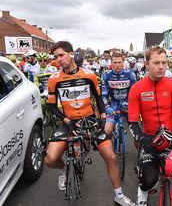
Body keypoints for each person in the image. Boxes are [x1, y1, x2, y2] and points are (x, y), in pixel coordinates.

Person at [45, 41, 135, 206]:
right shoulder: (54, 79)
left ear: (71, 53)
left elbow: (98, 97)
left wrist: (101, 115)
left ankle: (119, 195)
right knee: (50, 159)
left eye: (61, 55)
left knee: (111, 157)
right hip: (69, 121)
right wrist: (65, 120)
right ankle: (64, 168)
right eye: (56, 57)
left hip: (90, 119)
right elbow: (52, 106)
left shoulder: (89, 75)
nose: (58, 59)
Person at [128, 46, 172, 206]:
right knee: (147, 180)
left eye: (164, 63)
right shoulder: (136, 88)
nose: (161, 67)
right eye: (156, 63)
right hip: (150, 138)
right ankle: (142, 197)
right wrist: (142, 139)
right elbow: (132, 120)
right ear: (146, 64)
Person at [101, 52, 136, 138]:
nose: (117, 65)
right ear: (111, 63)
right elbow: (104, 94)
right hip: (114, 104)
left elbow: (135, 93)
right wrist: (107, 107)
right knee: (107, 130)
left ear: (123, 63)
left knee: (136, 134)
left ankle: (141, 151)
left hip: (128, 104)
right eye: (115, 62)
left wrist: (130, 103)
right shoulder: (106, 75)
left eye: (119, 62)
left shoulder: (130, 74)